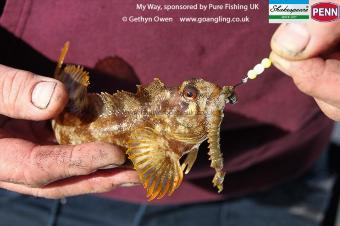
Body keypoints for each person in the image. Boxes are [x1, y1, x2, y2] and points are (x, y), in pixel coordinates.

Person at [0, 0, 338, 225]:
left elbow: (325, 10)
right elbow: (155, 160)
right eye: (190, 94)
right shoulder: (158, 128)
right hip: (23, 169)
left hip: (275, 174)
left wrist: (327, 13)